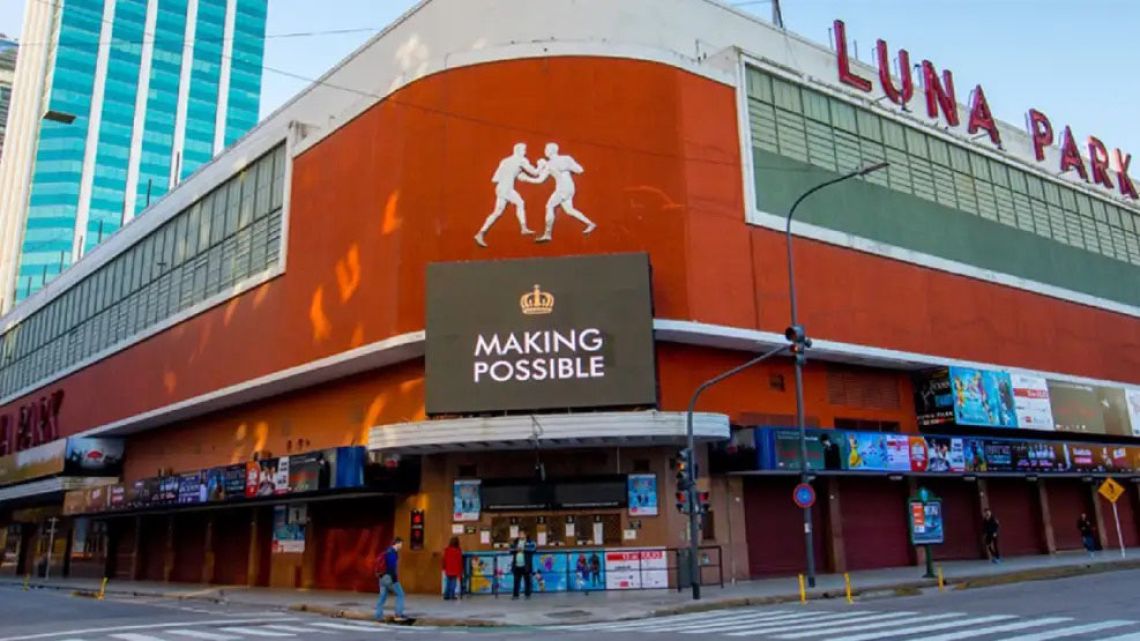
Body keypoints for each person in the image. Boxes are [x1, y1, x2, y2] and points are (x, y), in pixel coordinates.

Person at [475, 143, 540, 247]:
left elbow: (495, 178)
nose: (525, 152)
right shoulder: (522, 160)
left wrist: (515, 173)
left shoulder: (505, 160)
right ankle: (523, 227)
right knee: (520, 203)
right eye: (524, 150)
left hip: (500, 188)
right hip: (507, 189)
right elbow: (535, 173)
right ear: (518, 151)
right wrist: (542, 165)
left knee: (497, 212)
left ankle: (480, 233)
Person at [530, 142, 596, 243]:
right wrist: (567, 167)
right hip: (570, 186)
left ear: (551, 151)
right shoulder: (565, 159)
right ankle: (590, 224)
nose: (545, 151)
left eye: (546, 149)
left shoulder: (550, 164)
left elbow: (539, 180)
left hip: (562, 187)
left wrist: (526, 177)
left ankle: (547, 234)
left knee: (549, 206)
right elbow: (579, 170)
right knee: (569, 210)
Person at [374, 537, 406, 621]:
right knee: (400, 594)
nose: (402, 545)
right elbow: (391, 567)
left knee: (382, 597)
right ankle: (398, 614)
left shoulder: (386, 551)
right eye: (401, 543)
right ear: (397, 543)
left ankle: (378, 615)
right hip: (389, 577)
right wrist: (395, 579)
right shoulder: (392, 552)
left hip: (382, 578)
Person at [511, 531, 536, 599]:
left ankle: (527, 595)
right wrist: (516, 549)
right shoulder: (515, 541)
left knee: (527, 580)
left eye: (522, 534)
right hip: (517, 565)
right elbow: (511, 550)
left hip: (526, 565)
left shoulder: (530, 541)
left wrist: (523, 549)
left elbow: (533, 549)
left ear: (525, 535)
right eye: (519, 534)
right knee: (516, 581)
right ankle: (515, 595)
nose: (520, 535)